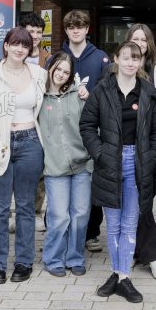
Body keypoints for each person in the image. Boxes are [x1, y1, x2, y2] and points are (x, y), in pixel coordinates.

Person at [80, 41, 156, 303]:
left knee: (130, 223)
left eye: (136, 58)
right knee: (114, 224)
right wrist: (100, 153)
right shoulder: (102, 91)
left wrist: (150, 157)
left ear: (141, 62)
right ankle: (119, 275)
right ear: (116, 59)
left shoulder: (149, 93)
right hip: (110, 162)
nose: (130, 62)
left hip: (138, 163)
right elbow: (87, 125)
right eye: (126, 57)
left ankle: (122, 276)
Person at [0, 27, 46, 285]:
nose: (19, 49)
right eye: (14, 44)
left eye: (24, 45)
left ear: (29, 49)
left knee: (26, 206)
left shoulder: (38, 74)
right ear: (6, 46)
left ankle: (24, 261)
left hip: (30, 144)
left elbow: (53, 99)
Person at [60, 10, 111, 252]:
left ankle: (91, 233)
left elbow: (107, 88)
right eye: (71, 27)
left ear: (87, 29)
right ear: (66, 30)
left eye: (79, 26)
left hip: (93, 127)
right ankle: (61, 230)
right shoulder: (58, 57)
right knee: (61, 178)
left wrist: (92, 98)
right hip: (64, 129)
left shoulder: (101, 57)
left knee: (91, 181)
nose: (75, 30)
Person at [38, 52, 92, 277]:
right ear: (49, 68)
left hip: (81, 164)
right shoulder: (39, 98)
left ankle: (75, 256)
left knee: (80, 214)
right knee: (59, 216)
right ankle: (53, 258)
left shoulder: (78, 96)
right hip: (54, 167)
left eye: (66, 72)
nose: (61, 74)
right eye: (58, 69)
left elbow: (89, 126)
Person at [125, 24, 156, 279]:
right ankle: (151, 255)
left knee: (142, 201)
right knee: (134, 202)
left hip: (150, 151)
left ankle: (139, 251)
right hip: (122, 149)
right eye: (135, 39)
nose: (140, 44)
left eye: (144, 40)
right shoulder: (116, 71)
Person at [19, 10, 52, 229]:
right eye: (30, 31)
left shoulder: (47, 59)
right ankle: (19, 212)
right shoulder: (13, 55)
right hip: (17, 119)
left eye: (38, 32)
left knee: (38, 171)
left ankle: (34, 213)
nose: (35, 36)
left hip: (39, 120)